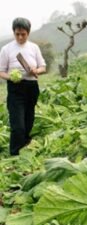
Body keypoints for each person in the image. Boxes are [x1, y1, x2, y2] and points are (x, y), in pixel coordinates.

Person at [0, 17, 46, 155]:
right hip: (15, 89)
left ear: (28, 32)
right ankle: (14, 153)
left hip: (31, 87)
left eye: (23, 34)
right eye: (17, 34)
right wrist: (11, 77)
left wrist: (35, 71)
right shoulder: (7, 49)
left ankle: (25, 148)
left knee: (28, 121)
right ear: (14, 33)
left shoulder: (34, 47)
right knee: (17, 124)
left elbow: (43, 67)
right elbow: (1, 71)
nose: (20, 37)